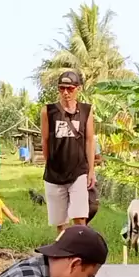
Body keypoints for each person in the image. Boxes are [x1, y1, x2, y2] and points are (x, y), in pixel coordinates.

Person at [41, 71, 96, 233]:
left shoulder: (86, 111)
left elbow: (89, 140)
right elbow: (45, 140)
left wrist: (91, 170)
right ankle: (64, 248)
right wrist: (50, 163)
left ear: (78, 88)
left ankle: (81, 246)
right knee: (61, 222)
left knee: (80, 218)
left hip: (78, 171)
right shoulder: (48, 111)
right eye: (62, 88)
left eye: (70, 89)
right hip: (54, 174)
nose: (65, 93)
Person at [87, 139, 102, 225]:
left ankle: (84, 225)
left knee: (93, 207)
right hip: (73, 178)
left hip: (90, 178)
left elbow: (99, 159)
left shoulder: (94, 141)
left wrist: (89, 162)